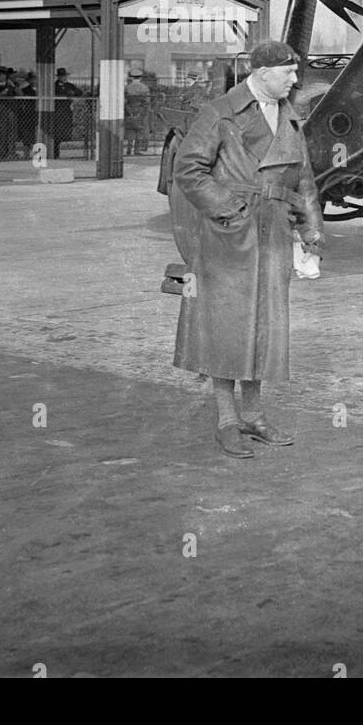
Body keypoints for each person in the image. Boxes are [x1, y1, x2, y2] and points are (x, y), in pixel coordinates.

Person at [171, 40, 323, 458]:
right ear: (261, 74)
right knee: (227, 327)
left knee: (263, 327)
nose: (295, 80)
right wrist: (230, 209)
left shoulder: (289, 116)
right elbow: (187, 169)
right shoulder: (220, 112)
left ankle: (254, 417)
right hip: (229, 235)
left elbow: (304, 178)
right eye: (288, 72)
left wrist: (311, 228)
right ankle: (226, 422)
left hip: (272, 233)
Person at [52, 68, 83, 158]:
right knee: (56, 132)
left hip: (66, 111)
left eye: (65, 76)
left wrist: (73, 92)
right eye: (62, 76)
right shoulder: (54, 86)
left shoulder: (70, 85)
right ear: (59, 77)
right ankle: (55, 152)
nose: (64, 78)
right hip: (57, 111)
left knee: (65, 131)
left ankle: (58, 150)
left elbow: (79, 92)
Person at [124, 70, 151, 155]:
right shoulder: (145, 88)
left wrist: (129, 111)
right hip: (140, 111)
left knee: (130, 131)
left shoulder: (127, 87)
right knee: (139, 131)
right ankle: (136, 150)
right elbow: (147, 102)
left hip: (129, 110)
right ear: (141, 78)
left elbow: (124, 101)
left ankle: (128, 149)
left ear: (131, 77)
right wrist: (142, 112)